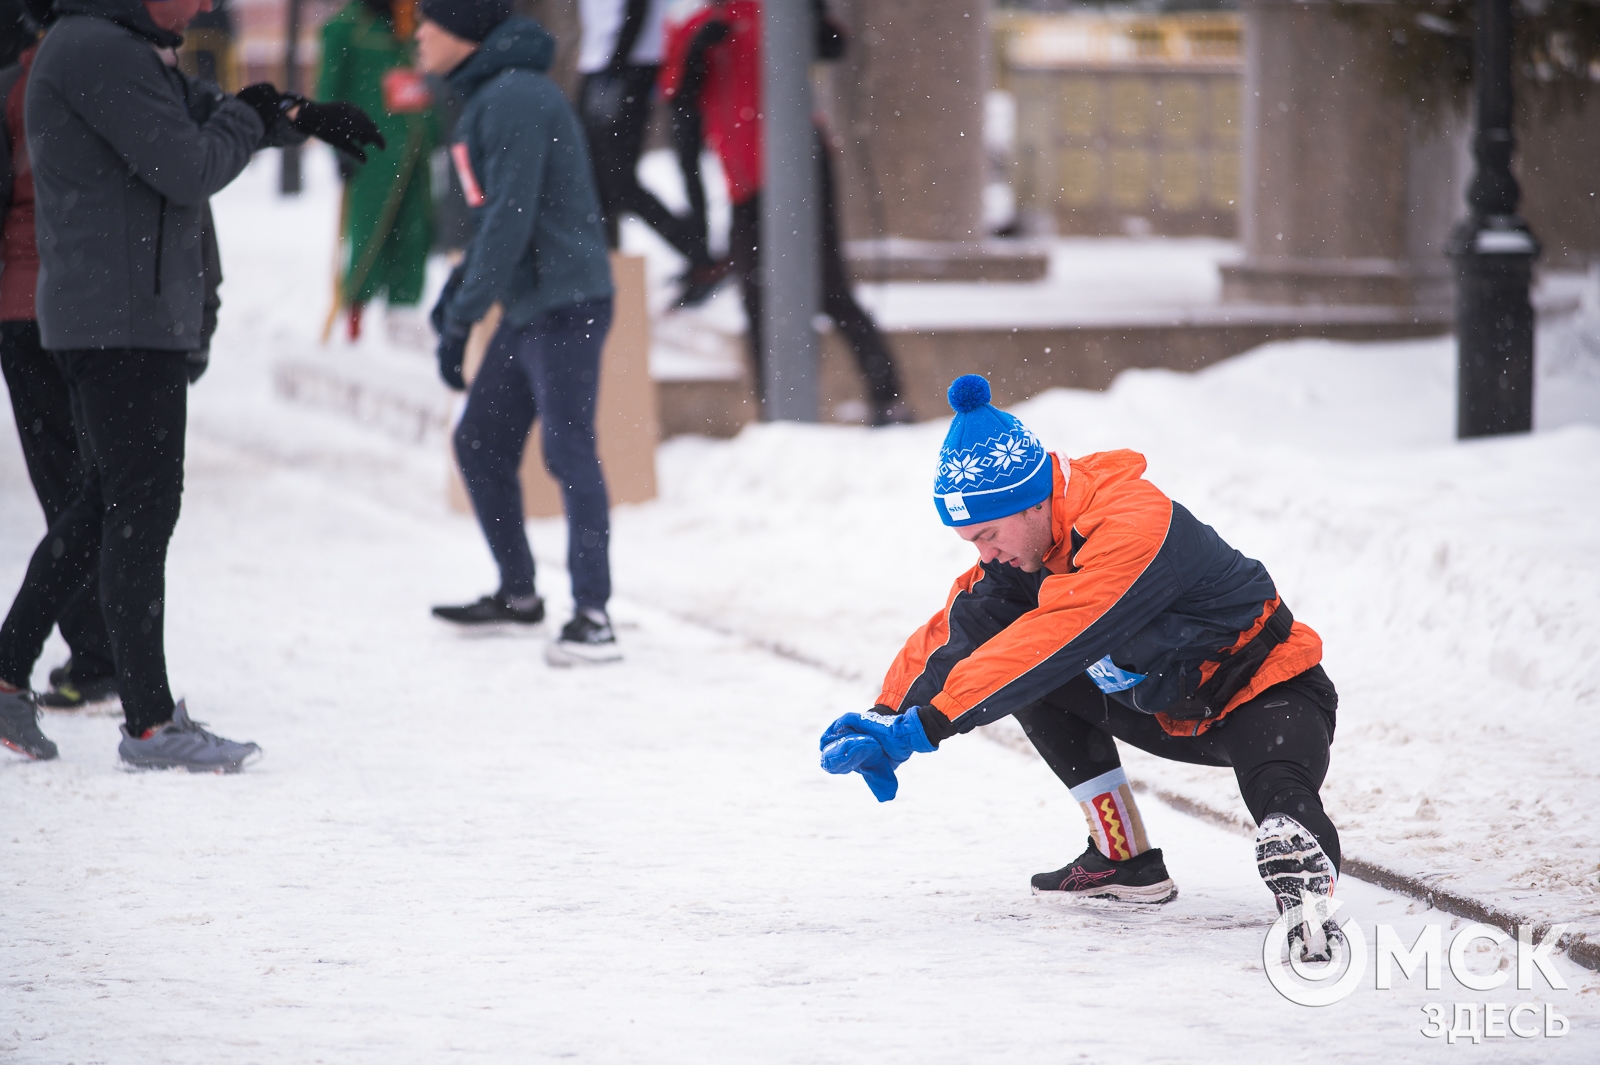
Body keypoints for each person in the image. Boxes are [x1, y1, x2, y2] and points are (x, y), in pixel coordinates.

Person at [820, 375, 1345, 961]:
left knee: (1277, 790)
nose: (985, 555)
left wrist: (930, 725)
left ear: (1035, 499)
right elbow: (957, 632)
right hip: (1163, 706)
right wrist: (885, 717)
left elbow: (1053, 636)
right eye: (970, 542)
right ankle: (1124, 859)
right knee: (1021, 674)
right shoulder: (1024, 548)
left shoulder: (1132, 525)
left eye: (988, 535)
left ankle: (1305, 895)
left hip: (1263, 692)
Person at [0, 0, 384, 769]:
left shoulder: (127, 46)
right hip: (118, 316)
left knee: (106, 502)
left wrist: (294, 114)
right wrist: (249, 119)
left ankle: (10, 671)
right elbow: (189, 163)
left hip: (124, 311)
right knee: (139, 507)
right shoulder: (97, 50)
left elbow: (210, 113)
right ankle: (148, 724)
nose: (206, 3)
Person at [417, 0, 621, 666]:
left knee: (567, 452)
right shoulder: (489, 96)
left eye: (430, 23)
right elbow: (492, 217)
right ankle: (519, 594)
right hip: (533, 303)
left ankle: (593, 615)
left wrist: (464, 314)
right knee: (479, 442)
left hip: (566, 303)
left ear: (466, 34)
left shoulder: (514, 99)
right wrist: (458, 297)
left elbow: (509, 217)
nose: (418, 34)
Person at [659, 0, 911, 426]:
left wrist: (812, 11)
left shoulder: (773, 12)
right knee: (756, 296)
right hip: (744, 181)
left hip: (801, 169)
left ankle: (887, 396)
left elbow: (832, 44)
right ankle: (774, 411)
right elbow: (678, 103)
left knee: (829, 287)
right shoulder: (696, 28)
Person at [0, 0, 120, 714]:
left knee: (69, 487)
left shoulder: (17, 86)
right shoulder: (117, 76)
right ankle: (103, 651)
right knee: (107, 485)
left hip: (27, 304)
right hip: (101, 308)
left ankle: (92, 648)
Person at [577, 0, 727, 307]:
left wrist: (616, 66)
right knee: (597, 181)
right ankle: (607, 273)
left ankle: (699, 255)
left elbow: (638, 8)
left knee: (617, 181)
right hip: (602, 62)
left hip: (626, 63)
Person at [318, 0, 438, 342]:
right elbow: (329, 91)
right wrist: (339, 143)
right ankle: (354, 318)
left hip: (417, 149)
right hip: (371, 152)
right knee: (368, 233)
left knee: (415, 233)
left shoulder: (415, 24)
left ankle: (403, 315)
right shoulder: (345, 28)